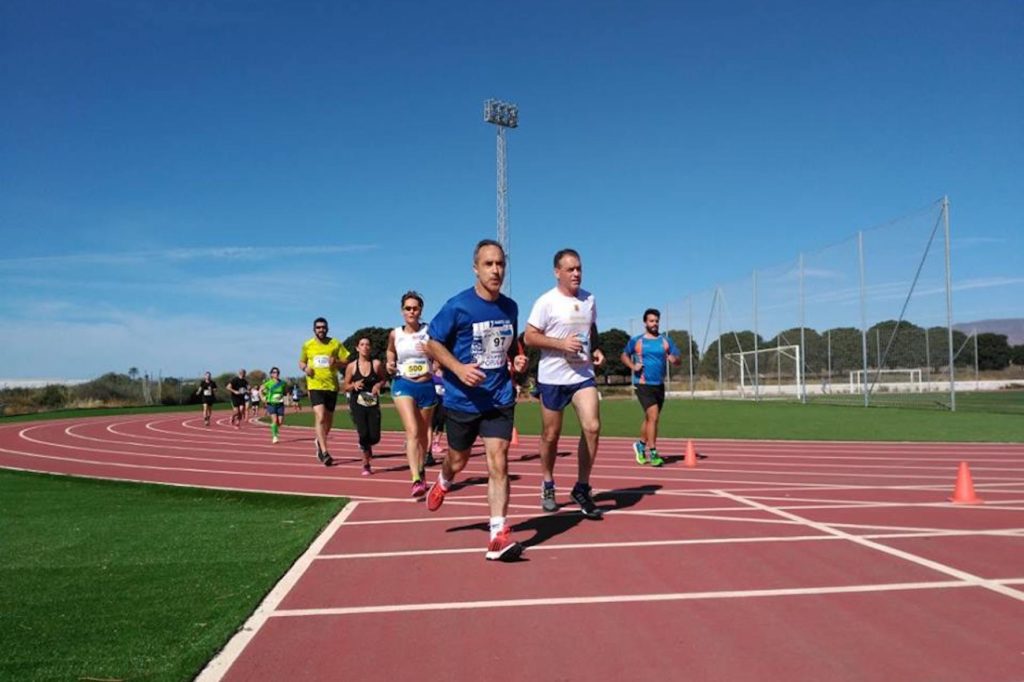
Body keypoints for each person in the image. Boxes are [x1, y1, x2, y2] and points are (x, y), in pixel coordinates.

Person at [425, 239, 529, 562]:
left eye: (500, 264)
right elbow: (432, 343)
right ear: (475, 268)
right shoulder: (458, 306)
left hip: (498, 398)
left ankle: (497, 534)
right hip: (462, 400)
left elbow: (509, 347)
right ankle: (444, 480)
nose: (496, 270)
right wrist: (458, 368)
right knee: (458, 460)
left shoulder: (510, 308)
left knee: (499, 463)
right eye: (489, 264)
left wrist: (517, 360)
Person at [524, 248, 605, 518]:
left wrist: (596, 348)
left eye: (579, 268)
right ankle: (548, 483)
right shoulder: (546, 302)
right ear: (557, 272)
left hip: (582, 375)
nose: (576, 273)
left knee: (592, 427)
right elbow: (529, 337)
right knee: (551, 435)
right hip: (553, 378)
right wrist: (561, 344)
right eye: (570, 269)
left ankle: (582, 487)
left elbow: (591, 327)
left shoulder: (589, 299)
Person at [386, 291, 439, 497]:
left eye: (415, 308)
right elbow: (391, 351)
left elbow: (440, 352)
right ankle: (415, 478)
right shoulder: (395, 334)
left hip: (426, 385)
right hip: (403, 384)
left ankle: (422, 468)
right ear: (402, 311)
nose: (411, 312)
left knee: (424, 435)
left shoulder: (429, 331)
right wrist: (390, 363)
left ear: (420, 310)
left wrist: (431, 352)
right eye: (408, 308)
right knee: (412, 430)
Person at [620, 308, 682, 466]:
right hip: (643, 384)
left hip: (659, 385)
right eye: (651, 321)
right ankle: (653, 453)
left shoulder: (666, 341)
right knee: (653, 416)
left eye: (656, 321)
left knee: (650, 419)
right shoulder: (637, 341)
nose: (654, 324)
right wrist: (633, 366)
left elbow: (678, 359)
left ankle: (640, 445)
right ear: (645, 323)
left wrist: (674, 360)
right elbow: (624, 355)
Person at [299, 317, 350, 466]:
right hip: (315, 385)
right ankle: (325, 452)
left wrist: (337, 362)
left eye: (323, 327)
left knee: (328, 421)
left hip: (331, 386)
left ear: (327, 328)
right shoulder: (307, 345)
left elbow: (346, 360)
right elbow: (301, 362)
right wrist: (305, 368)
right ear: (314, 329)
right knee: (320, 416)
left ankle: (319, 441)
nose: (321, 329)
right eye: (318, 327)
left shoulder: (335, 343)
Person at [343, 337, 384, 476]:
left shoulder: (376, 364)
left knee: (374, 437)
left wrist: (378, 385)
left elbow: (383, 379)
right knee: (363, 433)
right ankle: (366, 464)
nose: (365, 347)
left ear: (370, 348)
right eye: (362, 344)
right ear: (357, 348)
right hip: (357, 403)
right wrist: (353, 385)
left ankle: (367, 446)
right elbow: (345, 386)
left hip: (372, 402)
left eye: (367, 344)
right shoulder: (352, 366)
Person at [260, 367, 288, 444]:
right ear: (271, 374)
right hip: (271, 404)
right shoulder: (268, 383)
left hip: (280, 404)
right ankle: (274, 436)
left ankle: (275, 429)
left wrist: (286, 398)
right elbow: (260, 390)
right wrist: (262, 397)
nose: (276, 374)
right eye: (275, 372)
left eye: (278, 372)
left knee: (280, 422)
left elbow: (285, 392)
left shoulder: (283, 383)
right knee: (275, 420)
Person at [426, 360, 446, 464]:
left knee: (441, 421)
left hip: (443, 401)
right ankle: (426, 444)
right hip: (434, 401)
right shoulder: (430, 375)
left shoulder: (445, 374)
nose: (434, 365)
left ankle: (436, 442)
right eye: (433, 363)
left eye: (436, 363)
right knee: (431, 423)